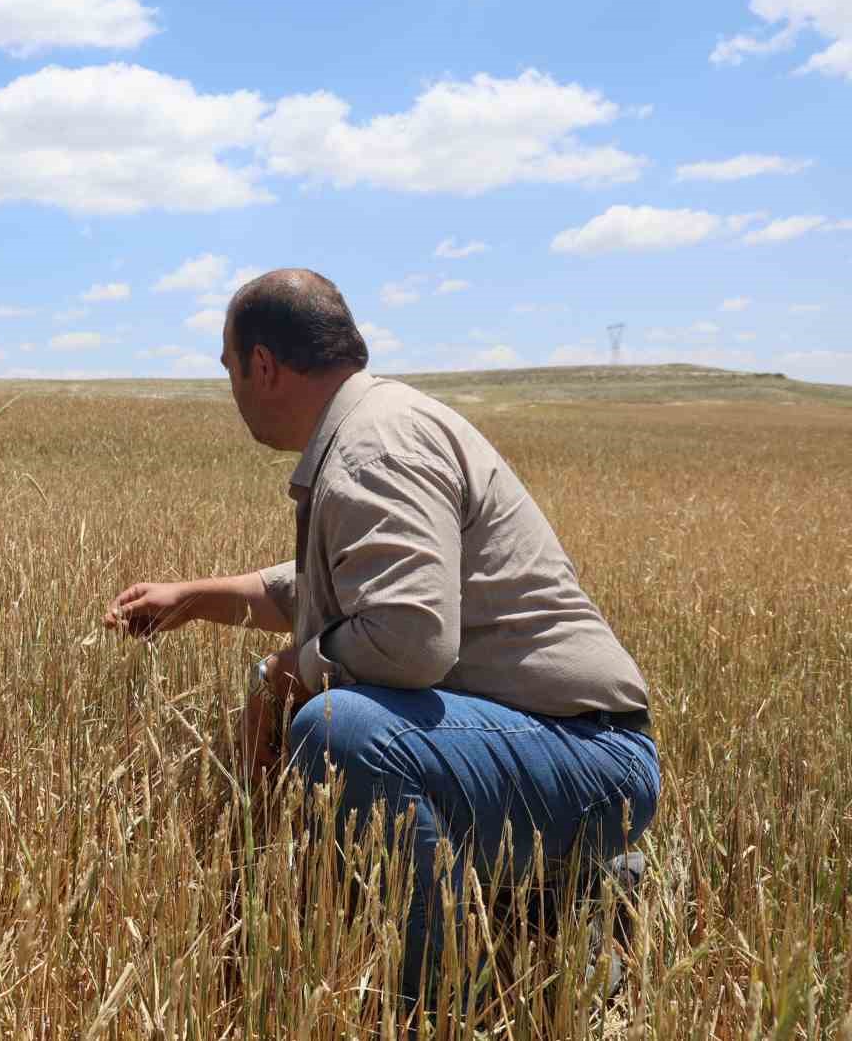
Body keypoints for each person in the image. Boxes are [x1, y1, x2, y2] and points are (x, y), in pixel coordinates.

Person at [104, 269, 658, 1001]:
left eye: (229, 368)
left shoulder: (374, 449)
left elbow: (409, 639)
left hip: (587, 758)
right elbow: (343, 592)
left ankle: (450, 1002)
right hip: (538, 744)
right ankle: (547, 898)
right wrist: (197, 599)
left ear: (263, 366)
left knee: (345, 731)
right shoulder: (374, 428)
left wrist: (292, 670)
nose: (232, 388)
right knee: (328, 713)